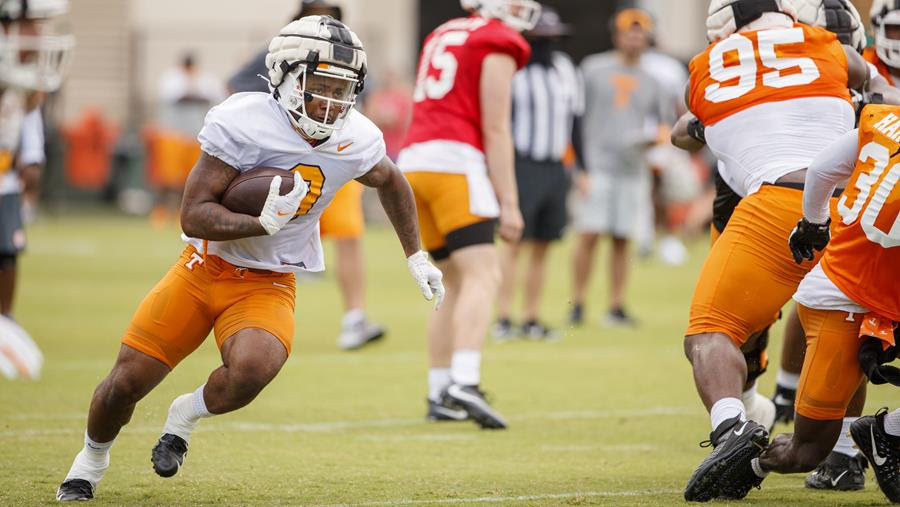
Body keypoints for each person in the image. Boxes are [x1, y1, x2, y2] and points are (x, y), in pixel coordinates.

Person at [55, 16, 445, 501]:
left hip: (269, 278)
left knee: (254, 369)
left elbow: (392, 181)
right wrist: (260, 223)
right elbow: (194, 214)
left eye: (343, 90)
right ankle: (90, 461)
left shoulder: (355, 136)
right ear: (283, 78)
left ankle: (185, 415)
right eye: (319, 85)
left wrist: (416, 256)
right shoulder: (243, 120)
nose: (331, 102)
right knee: (125, 384)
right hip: (203, 269)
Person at [679, 0, 871, 501]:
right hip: (858, 213)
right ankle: (861, 444)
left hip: (780, 202)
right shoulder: (829, 48)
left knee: (711, 331)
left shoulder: (704, 69)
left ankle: (731, 428)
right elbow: (861, 72)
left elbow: (683, 133)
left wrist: (707, 123)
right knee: (812, 441)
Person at [398, 0, 536, 428]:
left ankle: (440, 390)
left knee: (451, 283)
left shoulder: (444, 32)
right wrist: (510, 203)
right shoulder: (497, 39)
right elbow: (496, 126)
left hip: (413, 164)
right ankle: (465, 381)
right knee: (483, 275)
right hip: (454, 164)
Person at [755, 102, 900, 504]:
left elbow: (821, 170)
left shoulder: (885, 119)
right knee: (806, 450)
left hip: (853, 279)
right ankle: (747, 461)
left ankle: (874, 439)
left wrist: (814, 222)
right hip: (849, 294)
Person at [228, 0, 387, 352]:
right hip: (282, 165)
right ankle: (241, 314)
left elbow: (367, 100)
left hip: (334, 157)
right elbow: (237, 85)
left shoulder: (350, 53)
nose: (324, 20)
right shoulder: (281, 49)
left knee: (349, 236)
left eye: (330, 14)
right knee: (265, 232)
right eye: (316, 12)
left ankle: (355, 318)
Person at [570, 7, 666, 328]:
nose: (635, 38)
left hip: (632, 167)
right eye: (630, 31)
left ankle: (616, 304)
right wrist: (579, 167)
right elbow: (576, 119)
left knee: (623, 237)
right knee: (589, 234)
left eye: (640, 32)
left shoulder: (654, 80)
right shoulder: (594, 68)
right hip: (597, 164)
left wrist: (655, 142)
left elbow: (662, 124)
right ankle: (578, 302)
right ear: (617, 35)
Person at [493, 5, 582, 340]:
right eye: (539, 38)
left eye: (551, 39)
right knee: (513, 242)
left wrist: (582, 167)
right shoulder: (513, 69)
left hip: (555, 166)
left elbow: (576, 121)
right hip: (521, 163)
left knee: (543, 244)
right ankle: (504, 317)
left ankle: (530, 317)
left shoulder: (566, 70)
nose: (546, 45)